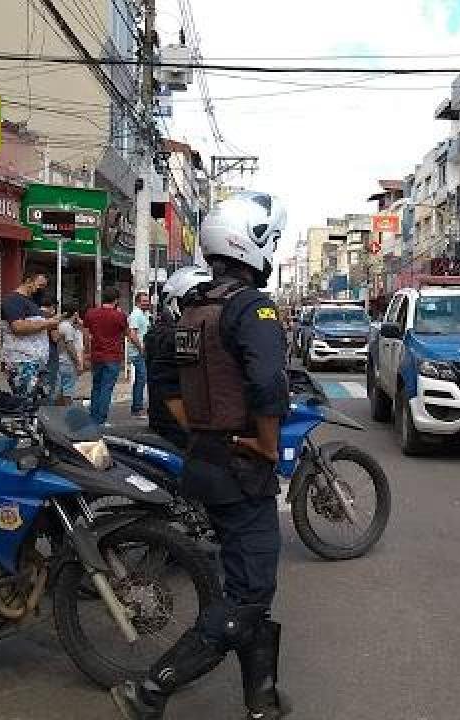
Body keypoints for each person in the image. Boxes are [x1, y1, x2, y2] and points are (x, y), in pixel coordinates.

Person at [111, 191, 290, 720]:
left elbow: (182, 390)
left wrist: (215, 435)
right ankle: (152, 687)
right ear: (249, 243)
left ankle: (262, 700)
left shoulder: (194, 312)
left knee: (251, 587)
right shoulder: (250, 307)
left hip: (207, 461)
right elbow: (265, 383)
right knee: (249, 596)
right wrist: (266, 442)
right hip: (241, 467)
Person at [145, 266, 213, 449]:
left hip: (167, 427)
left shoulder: (161, 332)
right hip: (177, 435)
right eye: (197, 303)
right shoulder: (183, 336)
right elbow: (174, 385)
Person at [84, 287, 141, 426]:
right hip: (113, 356)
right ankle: (100, 419)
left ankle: (93, 417)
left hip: (96, 355)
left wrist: (87, 351)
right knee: (106, 388)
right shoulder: (119, 316)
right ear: (116, 300)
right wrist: (140, 347)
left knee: (96, 386)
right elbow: (129, 334)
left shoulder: (91, 313)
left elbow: (86, 335)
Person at [0, 272, 58, 398]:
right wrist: (47, 323)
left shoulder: (31, 301)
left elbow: (33, 321)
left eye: (44, 286)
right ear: (28, 281)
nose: (41, 289)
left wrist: (49, 319)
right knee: (26, 401)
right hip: (22, 361)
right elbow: (18, 327)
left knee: (37, 401)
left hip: (35, 361)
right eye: (40, 285)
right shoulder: (13, 300)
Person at [127, 291, 153, 419]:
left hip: (143, 351)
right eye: (143, 301)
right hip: (138, 352)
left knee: (142, 379)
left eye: (147, 301)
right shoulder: (136, 314)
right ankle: (137, 408)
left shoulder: (145, 314)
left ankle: (137, 407)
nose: (146, 303)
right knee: (141, 379)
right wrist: (141, 348)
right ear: (137, 302)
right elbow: (132, 334)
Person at [54, 304, 85, 405]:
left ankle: (59, 411)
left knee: (60, 389)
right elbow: (70, 346)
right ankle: (66, 411)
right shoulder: (67, 327)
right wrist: (77, 362)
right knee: (68, 389)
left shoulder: (62, 325)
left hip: (61, 361)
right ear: (75, 313)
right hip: (68, 362)